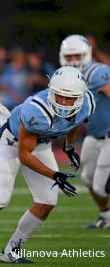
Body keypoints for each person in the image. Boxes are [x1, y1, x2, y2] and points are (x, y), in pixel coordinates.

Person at [0, 66, 94, 263]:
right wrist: (54, 175)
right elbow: (25, 155)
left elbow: (74, 122)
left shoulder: (87, 104)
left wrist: (69, 147)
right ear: (51, 91)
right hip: (13, 142)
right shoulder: (36, 110)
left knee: (47, 201)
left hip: (41, 145)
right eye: (59, 96)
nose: (63, 102)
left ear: (81, 97)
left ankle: (11, 250)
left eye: (70, 98)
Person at [60, 34, 110, 228]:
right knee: (87, 179)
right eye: (69, 57)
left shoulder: (96, 72)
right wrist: (69, 143)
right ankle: (106, 216)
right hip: (93, 136)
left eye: (78, 56)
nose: (73, 61)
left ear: (87, 55)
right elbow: (77, 115)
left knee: (101, 186)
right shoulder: (67, 78)